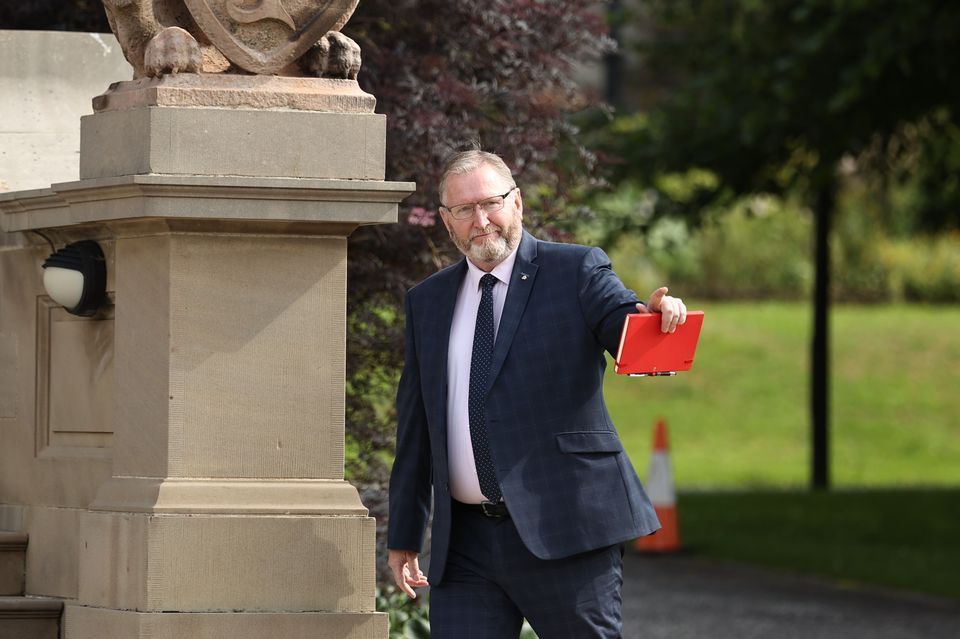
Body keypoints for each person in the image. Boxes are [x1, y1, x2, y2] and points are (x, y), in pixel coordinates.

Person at [387, 150, 687, 638]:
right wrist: (403, 534)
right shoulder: (429, 302)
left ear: (518, 203)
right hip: (464, 547)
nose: (481, 220)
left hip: (567, 529)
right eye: (464, 210)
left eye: (491, 203)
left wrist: (651, 320)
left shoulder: (575, 270)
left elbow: (622, 323)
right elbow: (417, 425)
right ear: (446, 223)